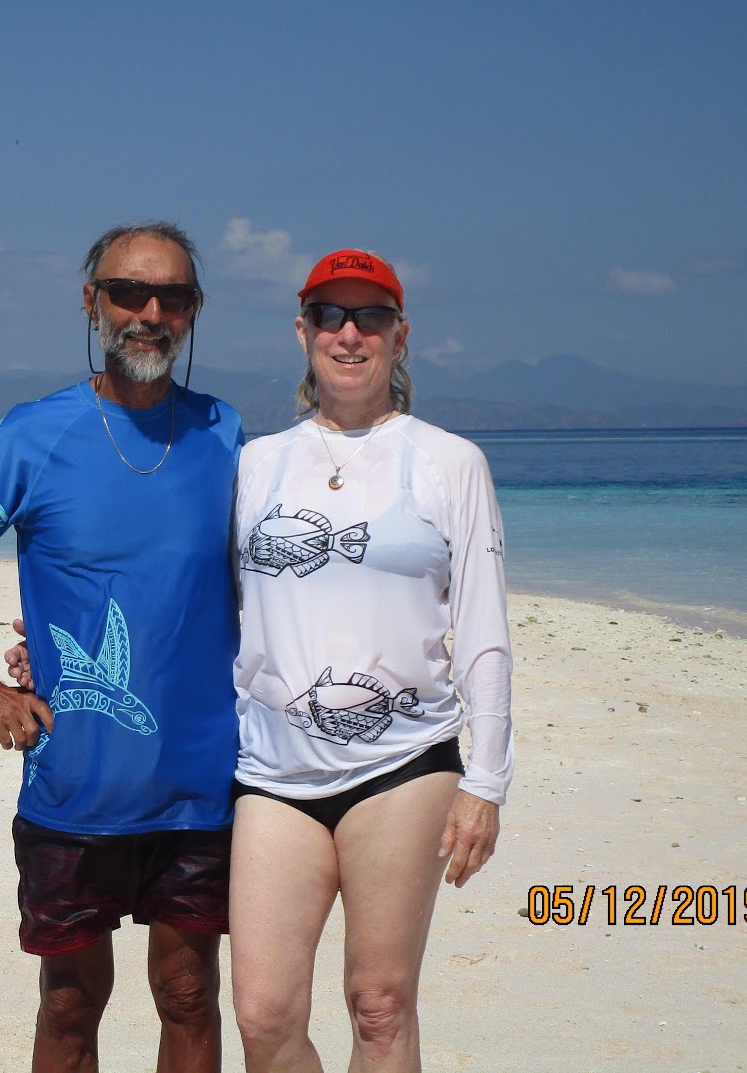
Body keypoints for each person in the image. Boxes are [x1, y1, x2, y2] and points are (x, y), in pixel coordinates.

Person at [0, 222, 244, 1073]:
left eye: (171, 297)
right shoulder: (35, 434)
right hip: (73, 784)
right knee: (69, 1001)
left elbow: (269, 576)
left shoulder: (224, 434)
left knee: (189, 993)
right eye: (129, 293)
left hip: (201, 783)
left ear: (194, 310)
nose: (150, 314)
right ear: (92, 302)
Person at [229, 249, 513, 1073]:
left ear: (400, 335)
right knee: (262, 1015)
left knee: (380, 1006)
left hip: (404, 764)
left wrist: (487, 782)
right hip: (272, 771)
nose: (349, 334)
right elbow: (198, 599)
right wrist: (56, 635)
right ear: (303, 331)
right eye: (330, 315)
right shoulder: (256, 463)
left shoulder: (450, 462)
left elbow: (484, 630)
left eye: (371, 316)